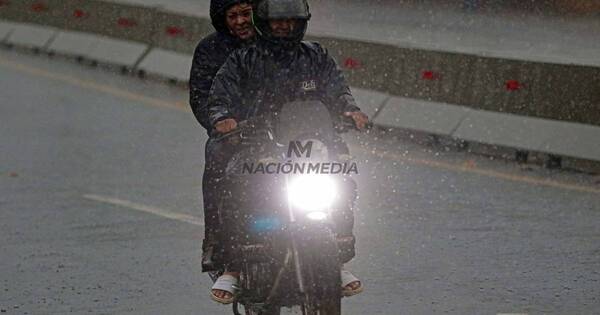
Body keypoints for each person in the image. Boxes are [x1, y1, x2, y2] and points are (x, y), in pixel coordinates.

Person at [207, 0, 368, 304]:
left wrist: (350, 111)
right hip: (257, 145)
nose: (283, 27)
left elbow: (337, 88)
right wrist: (223, 118)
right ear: (264, 23)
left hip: (310, 146)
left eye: (290, 21)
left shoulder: (315, 56)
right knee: (234, 186)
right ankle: (234, 267)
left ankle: (338, 257)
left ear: (301, 22)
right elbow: (221, 95)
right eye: (277, 22)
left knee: (342, 177)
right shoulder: (244, 60)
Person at [188, 0, 256, 272]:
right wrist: (220, 124)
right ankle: (215, 239)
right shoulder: (210, 49)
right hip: (233, 135)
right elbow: (200, 96)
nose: (240, 21)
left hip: (279, 132)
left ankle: (335, 238)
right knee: (216, 160)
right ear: (222, 19)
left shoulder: (277, 43)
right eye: (233, 15)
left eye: (246, 14)